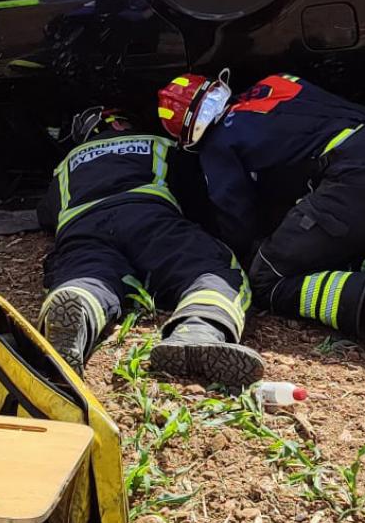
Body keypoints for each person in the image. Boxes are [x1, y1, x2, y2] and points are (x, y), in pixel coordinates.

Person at [157, 72, 365, 365]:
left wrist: (254, 249)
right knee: (350, 246)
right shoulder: (277, 81)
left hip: (360, 173)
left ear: (186, 132)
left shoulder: (218, 145)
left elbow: (236, 219)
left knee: (268, 277)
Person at [37, 106, 264, 386]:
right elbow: (196, 192)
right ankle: (200, 328)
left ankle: (78, 305)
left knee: (87, 274)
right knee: (209, 269)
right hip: (148, 215)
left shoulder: (66, 163)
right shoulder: (159, 143)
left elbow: (47, 215)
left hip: (82, 225)